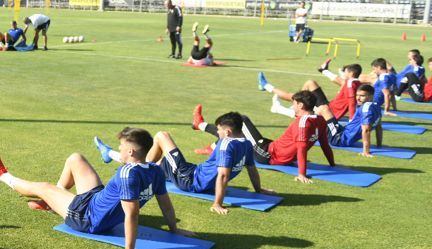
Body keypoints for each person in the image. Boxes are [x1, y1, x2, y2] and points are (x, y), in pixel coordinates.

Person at [0, 128, 193, 249]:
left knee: (43, 187)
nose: (119, 148)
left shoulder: (127, 174)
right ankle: (53, 204)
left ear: (130, 151)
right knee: (75, 158)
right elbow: (165, 205)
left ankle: (2, 175)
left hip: (85, 217)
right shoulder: (155, 171)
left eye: (121, 146)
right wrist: (174, 229)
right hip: (95, 199)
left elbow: (132, 215)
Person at [95, 113, 270, 215]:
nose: (217, 133)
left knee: (161, 136)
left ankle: (137, 168)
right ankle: (113, 154)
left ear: (228, 131)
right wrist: (258, 189)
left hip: (189, 179)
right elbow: (252, 169)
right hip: (193, 171)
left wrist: (217, 203)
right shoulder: (247, 143)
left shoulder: (226, 145)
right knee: (161, 162)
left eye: (218, 130)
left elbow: (223, 175)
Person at [193, 91, 335, 184]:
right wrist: (332, 164)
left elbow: (302, 148)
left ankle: (200, 125)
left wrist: (302, 174)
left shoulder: (303, 122)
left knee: (239, 121)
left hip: (267, 154)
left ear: (301, 105)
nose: (293, 106)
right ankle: (211, 143)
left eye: (294, 104)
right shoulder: (320, 119)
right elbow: (324, 144)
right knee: (239, 130)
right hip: (270, 146)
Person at [259, 61, 363, 121]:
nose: (342, 73)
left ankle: (266, 86)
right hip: (328, 105)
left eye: (344, 72)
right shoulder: (356, 84)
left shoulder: (350, 84)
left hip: (327, 110)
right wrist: (324, 70)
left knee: (292, 96)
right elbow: (340, 81)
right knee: (310, 83)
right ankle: (298, 102)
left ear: (351, 73)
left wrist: (351, 120)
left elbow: (352, 103)